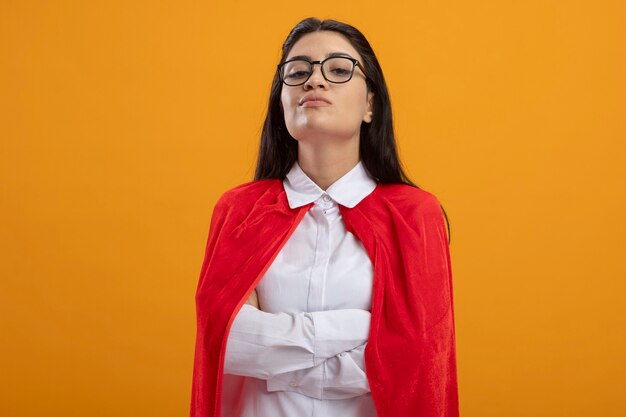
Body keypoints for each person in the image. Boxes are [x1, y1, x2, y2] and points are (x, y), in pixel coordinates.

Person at [191, 17, 459, 417]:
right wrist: (363, 328)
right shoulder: (240, 211)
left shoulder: (414, 216)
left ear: (370, 103)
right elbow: (228, 344)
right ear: (281, 100)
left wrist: (277, 364)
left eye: (337, 69)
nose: (314, 81)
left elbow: (418, 362)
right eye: (297, 71)